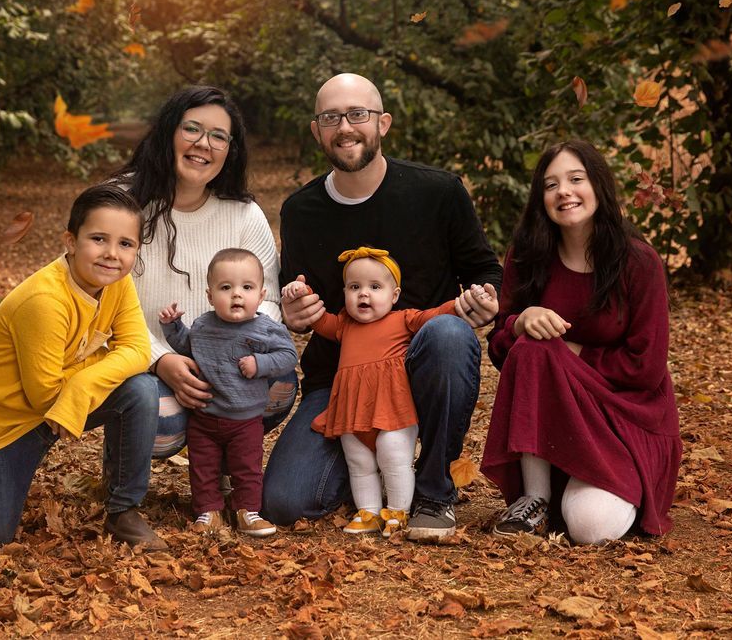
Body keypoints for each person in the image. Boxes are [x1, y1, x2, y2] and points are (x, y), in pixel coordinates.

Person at [265, 72, 503, 543]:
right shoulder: (301, 210)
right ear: (317, 131)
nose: (345, 127)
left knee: (450, 335)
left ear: (383, 123)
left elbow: (485, 271)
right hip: (342, 379)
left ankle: (433, 491)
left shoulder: (438, 193)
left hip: (419, 366)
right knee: (287, 502)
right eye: (331, 117)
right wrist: (292, 315)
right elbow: (296, 299)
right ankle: (373, 476)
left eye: (358, 114)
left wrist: (483, 300)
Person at [481, 140, 682, 544]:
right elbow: (504, 351)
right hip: (554, 418)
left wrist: (571, 353)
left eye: (576, 179)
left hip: (624, 416)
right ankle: (536, 498)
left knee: (590, 528)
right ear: (541, 198)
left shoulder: (639, 263)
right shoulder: (527, 254)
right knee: (535, 348)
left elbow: (646, 368)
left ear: (599, 186)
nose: (564, 192)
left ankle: (616, 483)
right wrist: (521, 321)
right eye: (551, 184)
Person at [0, 184, 165, 548]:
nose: (112, 254)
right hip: (8, 419)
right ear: (70, 241)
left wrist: (81, 387)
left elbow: (139, 349)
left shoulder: (118, 281)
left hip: (64, 402)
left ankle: (124, 510)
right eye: (98, 239)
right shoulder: (44, 300)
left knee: (141, 389)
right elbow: (44, 396)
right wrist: (100, 366)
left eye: (125, 244)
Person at [107, 86, 297, 465]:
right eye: (192, 129)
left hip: (229, 359)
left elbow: (270, 300)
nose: (203, 144)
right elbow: (98, 302)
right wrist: (161, 359)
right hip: (140, 360)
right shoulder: (120, 202)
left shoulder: (243, 214)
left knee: (279, 384)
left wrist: (235, 350)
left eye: (218, 136)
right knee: (160, 424)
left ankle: (228, 458)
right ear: (168, 132)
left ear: (231, 151)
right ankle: (123, 466)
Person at [282, 247, 481, 538]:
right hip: (353, 412)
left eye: (375, 287)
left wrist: (463, 302)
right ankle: (369, 512)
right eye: (355, 287)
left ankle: (398, 510)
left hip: (392, 409)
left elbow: (436, 316)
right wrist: (301, 291)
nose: (364, 294)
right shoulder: (343, 326)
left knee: (393, 456)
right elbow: (318, 318)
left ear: (395, 295)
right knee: (359, 463)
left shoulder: (402, 320)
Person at [159, 248, 298, 537]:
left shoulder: (266, 330)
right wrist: (172, 327)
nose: (236, 295)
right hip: (205, 416)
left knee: (246, 467)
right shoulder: (204, 324)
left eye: (246, 287)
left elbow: (288, 356)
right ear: (210, 296)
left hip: (246, 420)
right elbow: (187, 345)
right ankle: (208, 511)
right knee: (203, 466)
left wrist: (260, 363)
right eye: (226, 287)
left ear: (260, 296)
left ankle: (248, 511)